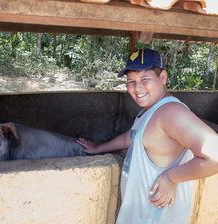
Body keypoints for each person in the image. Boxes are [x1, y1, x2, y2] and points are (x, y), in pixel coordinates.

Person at [77, 49, 218, 224]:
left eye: (145, 79)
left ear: (163, 78)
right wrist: (99, 147)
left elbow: (215, 156)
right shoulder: (151, 111)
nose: (137, 88)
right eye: (131, 81)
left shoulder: (171, 112)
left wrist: (171, 177)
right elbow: (131, 137)